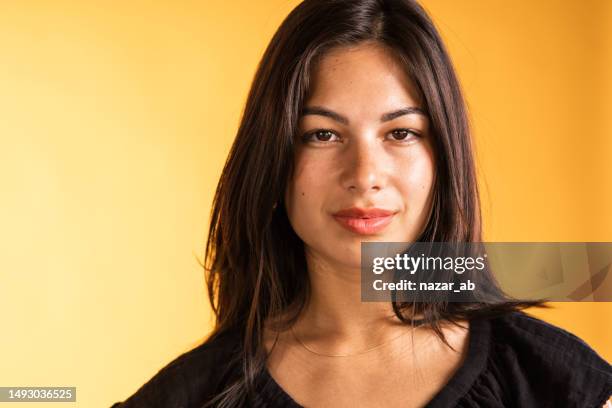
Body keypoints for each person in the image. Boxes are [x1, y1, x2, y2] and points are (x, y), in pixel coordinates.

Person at [111, 0, 612, 407]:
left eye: (401, 132)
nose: (365, 175)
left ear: (444, 156)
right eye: (323, 134)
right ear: (274, 156)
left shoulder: (559, 384)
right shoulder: (195, 393)